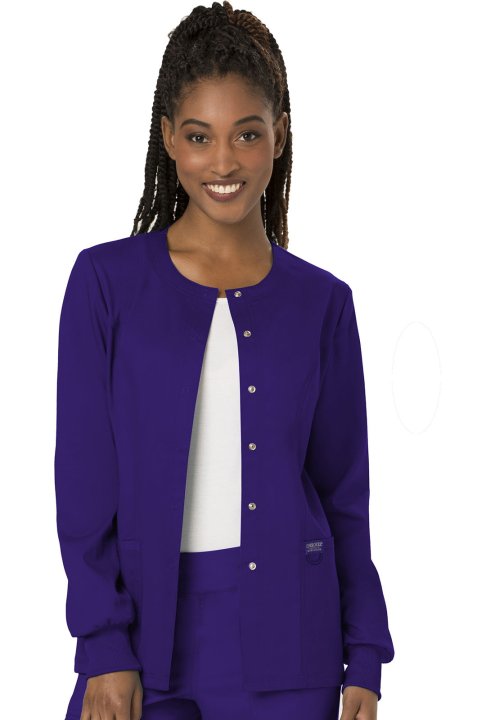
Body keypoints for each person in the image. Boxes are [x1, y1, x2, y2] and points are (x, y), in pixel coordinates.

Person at [54, 2, 395, 719]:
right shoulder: (106, 284)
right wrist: (104, 646)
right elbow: (83, 484)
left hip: (293, 646)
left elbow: (343, 495)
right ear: (168, 139)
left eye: (247, 134)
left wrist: (365, 652)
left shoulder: (322, 303)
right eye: (199, 136)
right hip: (144, 640)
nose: (223, 162)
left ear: (279, 136)